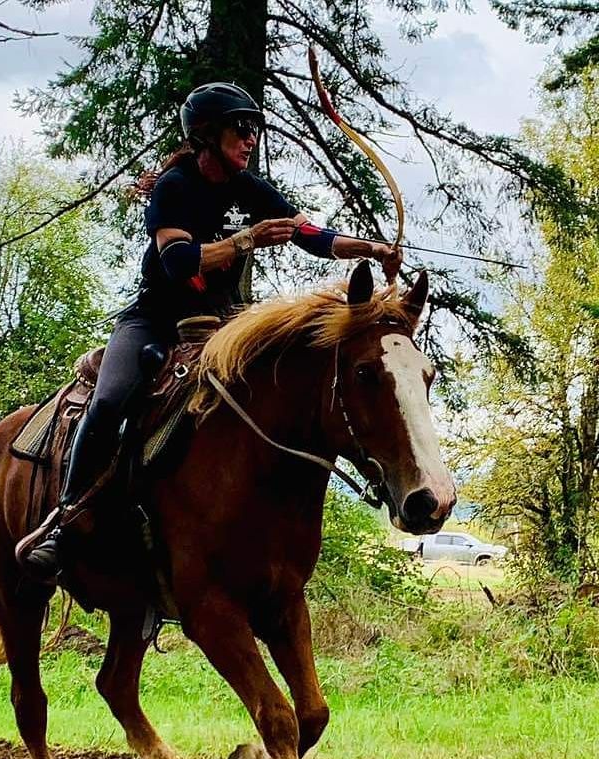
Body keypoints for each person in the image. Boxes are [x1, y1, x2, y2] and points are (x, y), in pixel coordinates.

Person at [20, 81, 402, 580]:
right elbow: (177, 261)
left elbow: (310, 235)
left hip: (221, 324)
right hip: (155, 320)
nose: (250, 139)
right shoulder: (174, 185)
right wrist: (246, 240)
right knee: (112, 400)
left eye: (255, 130)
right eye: (241, 128)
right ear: (207, 134)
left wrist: (371, 249)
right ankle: (66, 520)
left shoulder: (249, 188)